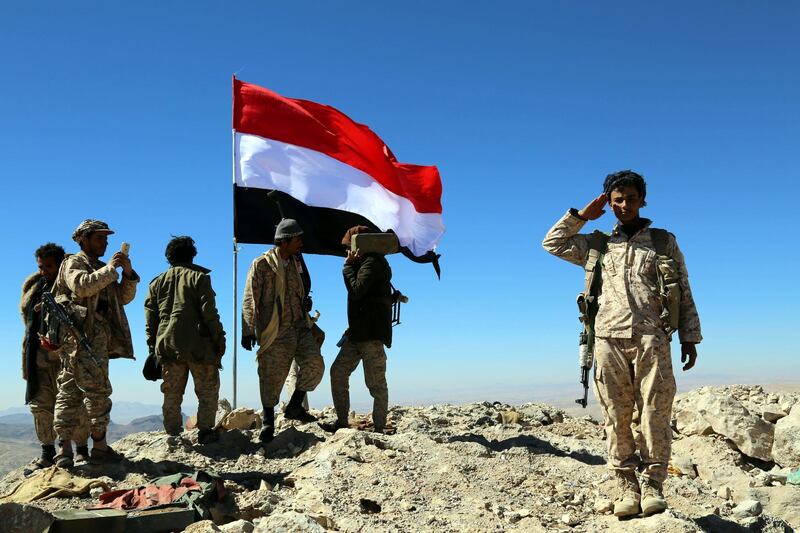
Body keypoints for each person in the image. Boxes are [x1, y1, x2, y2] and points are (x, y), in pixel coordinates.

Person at [542, 170, 702, 517]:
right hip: (608, 338)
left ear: (643, 199)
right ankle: (626, 485)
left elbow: (684, 288)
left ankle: (653, 484)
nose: (624, 205)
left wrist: (689, 336)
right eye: (617, 200)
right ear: (609, 204)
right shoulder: (597, 244)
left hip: (652, 339)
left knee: (655, 413)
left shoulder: (663, 241)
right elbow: (552, 242)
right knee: (617, 414)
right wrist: (582, 216)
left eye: (631, 198)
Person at [52, 219, 139, 465]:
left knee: (99, 391)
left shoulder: (102, 267)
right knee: (69, 391)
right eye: (100, 238)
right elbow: (81, 287)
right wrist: (110, 269)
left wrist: (128, 274)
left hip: (98, 336)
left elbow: (122, 298)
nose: (105, 242)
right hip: (76, 338)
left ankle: (99, 446)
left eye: (106, 238)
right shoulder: (73, 262)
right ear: (84, 239)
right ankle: (64, 449)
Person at [241, 219, 324, 444]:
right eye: (298, 240)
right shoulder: (262, 265)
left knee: (315, 364)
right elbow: (250, 298)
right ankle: (268, 420)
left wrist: (304, 306)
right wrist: (248, 330)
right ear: (285, 241)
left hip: (299, 326)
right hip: (276, 330)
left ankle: (295, 406)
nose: (301, 244)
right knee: (271, 376)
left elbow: (299, 292)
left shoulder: (296, 264)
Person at [145, 236, 226, 444]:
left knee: (172, 393)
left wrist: (152, 347)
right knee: (207, 390)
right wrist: (219, 338)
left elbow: (150, 320)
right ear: (192, 255)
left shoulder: (156, 283)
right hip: (199, 346)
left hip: (168, 346)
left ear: (168, 258)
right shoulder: (199, 278)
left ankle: (173, 435)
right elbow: (210, 314)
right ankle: (206, 431)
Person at [20, 243, 90, 473]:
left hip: (67, 356)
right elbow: (27, 319)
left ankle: (80, 449)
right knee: (41, 405)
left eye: (48, 266)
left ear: (60, 263)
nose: (43, 271)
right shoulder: (34, 287)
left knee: (72, 403)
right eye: (40, 267)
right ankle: (47, 452)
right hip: (38, 356)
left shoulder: (72, 283)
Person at [330, 226, 392, 433]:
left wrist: (347, 268)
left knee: (375, 383)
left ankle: (380, 428)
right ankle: (342, 422)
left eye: (349, 247)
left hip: (370, 335)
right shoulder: (366, 263)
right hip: (358, 333)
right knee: (338, 372)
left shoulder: (373, 262)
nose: (347, 252)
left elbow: (357, 290)